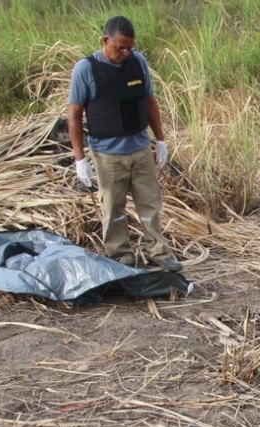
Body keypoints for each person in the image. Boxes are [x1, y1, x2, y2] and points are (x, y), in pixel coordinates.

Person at [67, 15, 182, 272]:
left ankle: (158, 252)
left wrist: (160, 140)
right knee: (114, 209)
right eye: (120, 47)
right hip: (108, 155)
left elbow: (149, 102)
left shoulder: (137, 62)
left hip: (140, 149)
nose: (125, 53)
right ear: (105, 41)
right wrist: (80, 160)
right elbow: (74, 116)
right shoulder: (86, 70)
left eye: (130, 47)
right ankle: (121, 259)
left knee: (150, 203)